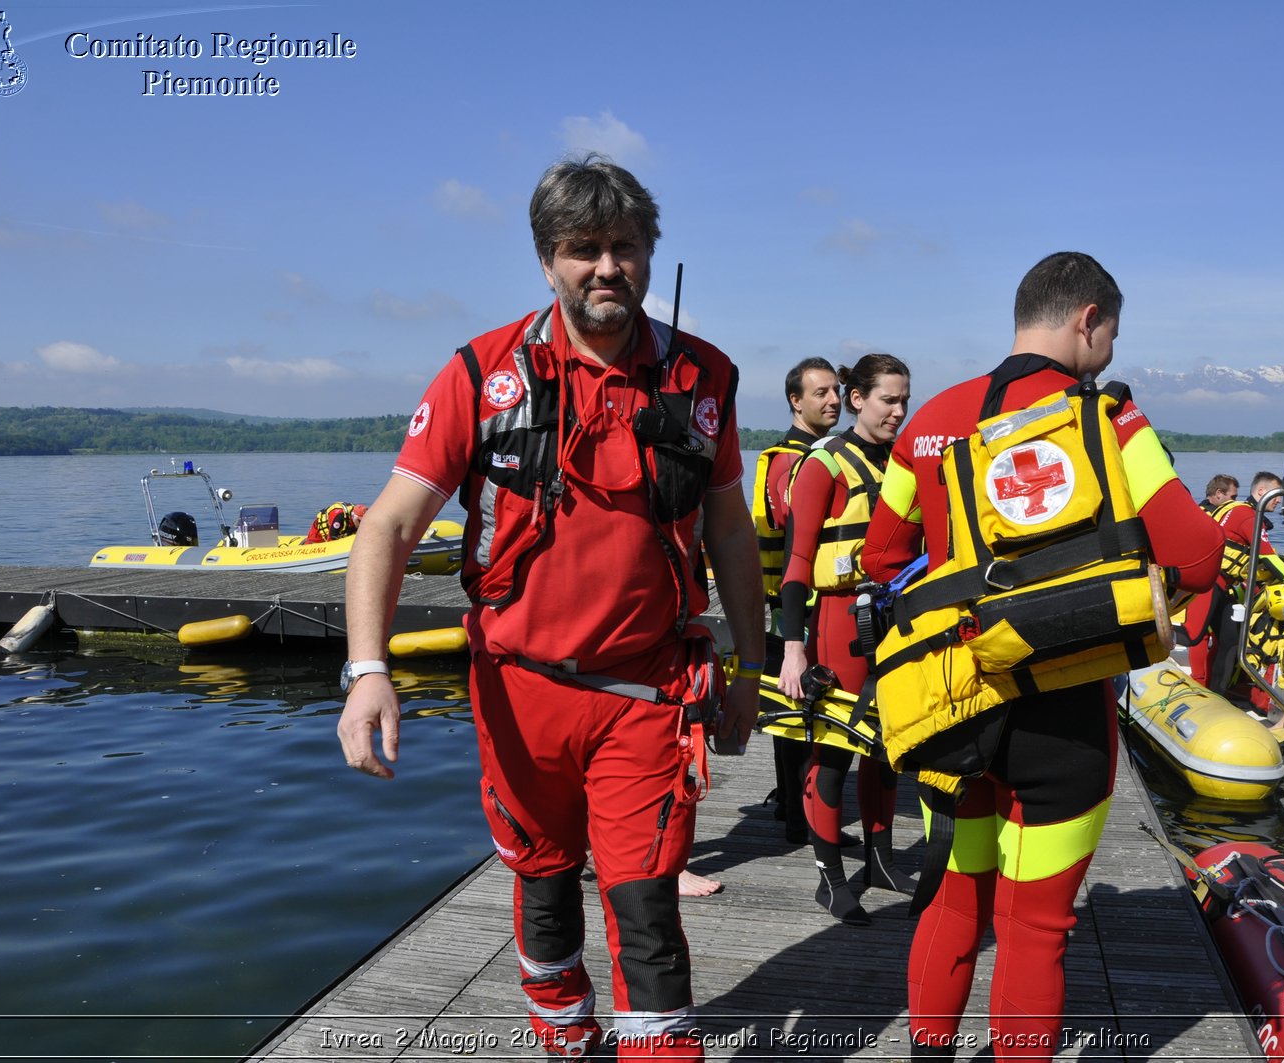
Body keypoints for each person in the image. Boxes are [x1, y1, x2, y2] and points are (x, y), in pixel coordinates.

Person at [336, 155, 764, 1062]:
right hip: (516, 689)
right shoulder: (481, 372)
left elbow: (730, 535)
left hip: (650, 693)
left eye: (626, 246)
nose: (607, 267)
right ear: (547, 261)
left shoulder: (706, 379)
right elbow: (389, 527)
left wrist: (751, 669)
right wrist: (367, 670)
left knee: (647, 902)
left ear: (651, 253)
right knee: (542, 879)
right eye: (584, 249)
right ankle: (563, 1036)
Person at [861, 252, 1223, 1059]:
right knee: (1035, 929)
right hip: (1065, 711)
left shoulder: (928, 422)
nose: (1111, 354)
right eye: (1112, 335)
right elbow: (1198, 558)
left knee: (955, 904)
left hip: (953, 701)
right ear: (1087, 319)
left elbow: (883, 557)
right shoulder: (1111, 420)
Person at [777, 353, 915, 925]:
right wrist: (792, 647)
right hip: (839, 622)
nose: (899, 411)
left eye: (905, 400)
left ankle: (880, 861)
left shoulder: (903, 464)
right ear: (858, 399)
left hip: (896, 621)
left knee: (889, 749)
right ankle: (829, 878)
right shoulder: (823, 465)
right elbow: (797, 561)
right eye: (889, 400)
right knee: (834, 751)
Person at [751, 357, 841, 844]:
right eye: (821, 392)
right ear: (796, 401)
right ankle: (799, 818)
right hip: (796, 608)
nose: (834, 400)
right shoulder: (799, 459)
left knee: (791, 714)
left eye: (836, 392)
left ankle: (790, 806)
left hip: (789, 606)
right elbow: (796, 546)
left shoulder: (812, 454)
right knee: (801, 715)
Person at [1184, 470, 1281, 689]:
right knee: (1196, 634)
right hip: (1208, 581)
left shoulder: (1238, 513)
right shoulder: (1245, 515)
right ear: (1262, 491)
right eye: (1277, 493)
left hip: (1226, 586)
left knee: (1229, 640)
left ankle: (1218, 692)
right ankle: (1199, 682)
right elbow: (1267, 555)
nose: (1280, 499)